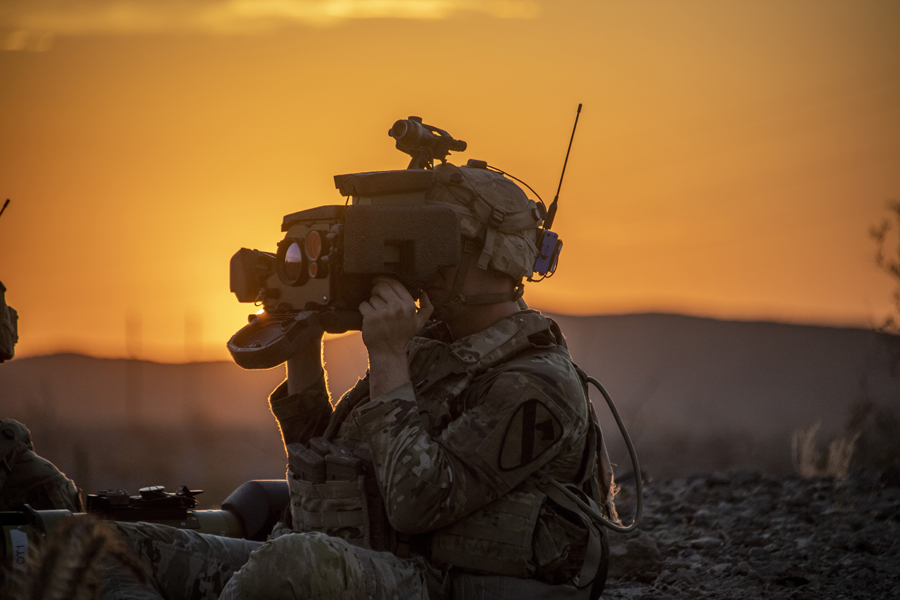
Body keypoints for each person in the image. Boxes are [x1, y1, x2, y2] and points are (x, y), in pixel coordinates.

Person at [24, 162, 618, 600]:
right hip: (373, 565)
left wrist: (388, 359)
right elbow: (331, 474)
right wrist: (305, 362)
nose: (418, 265)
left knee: (294, 564)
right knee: (97, 545)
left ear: (493, 258)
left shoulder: (536, 384)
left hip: (453, 587)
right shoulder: (433, 350)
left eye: (438, 244)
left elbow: (417, 504)